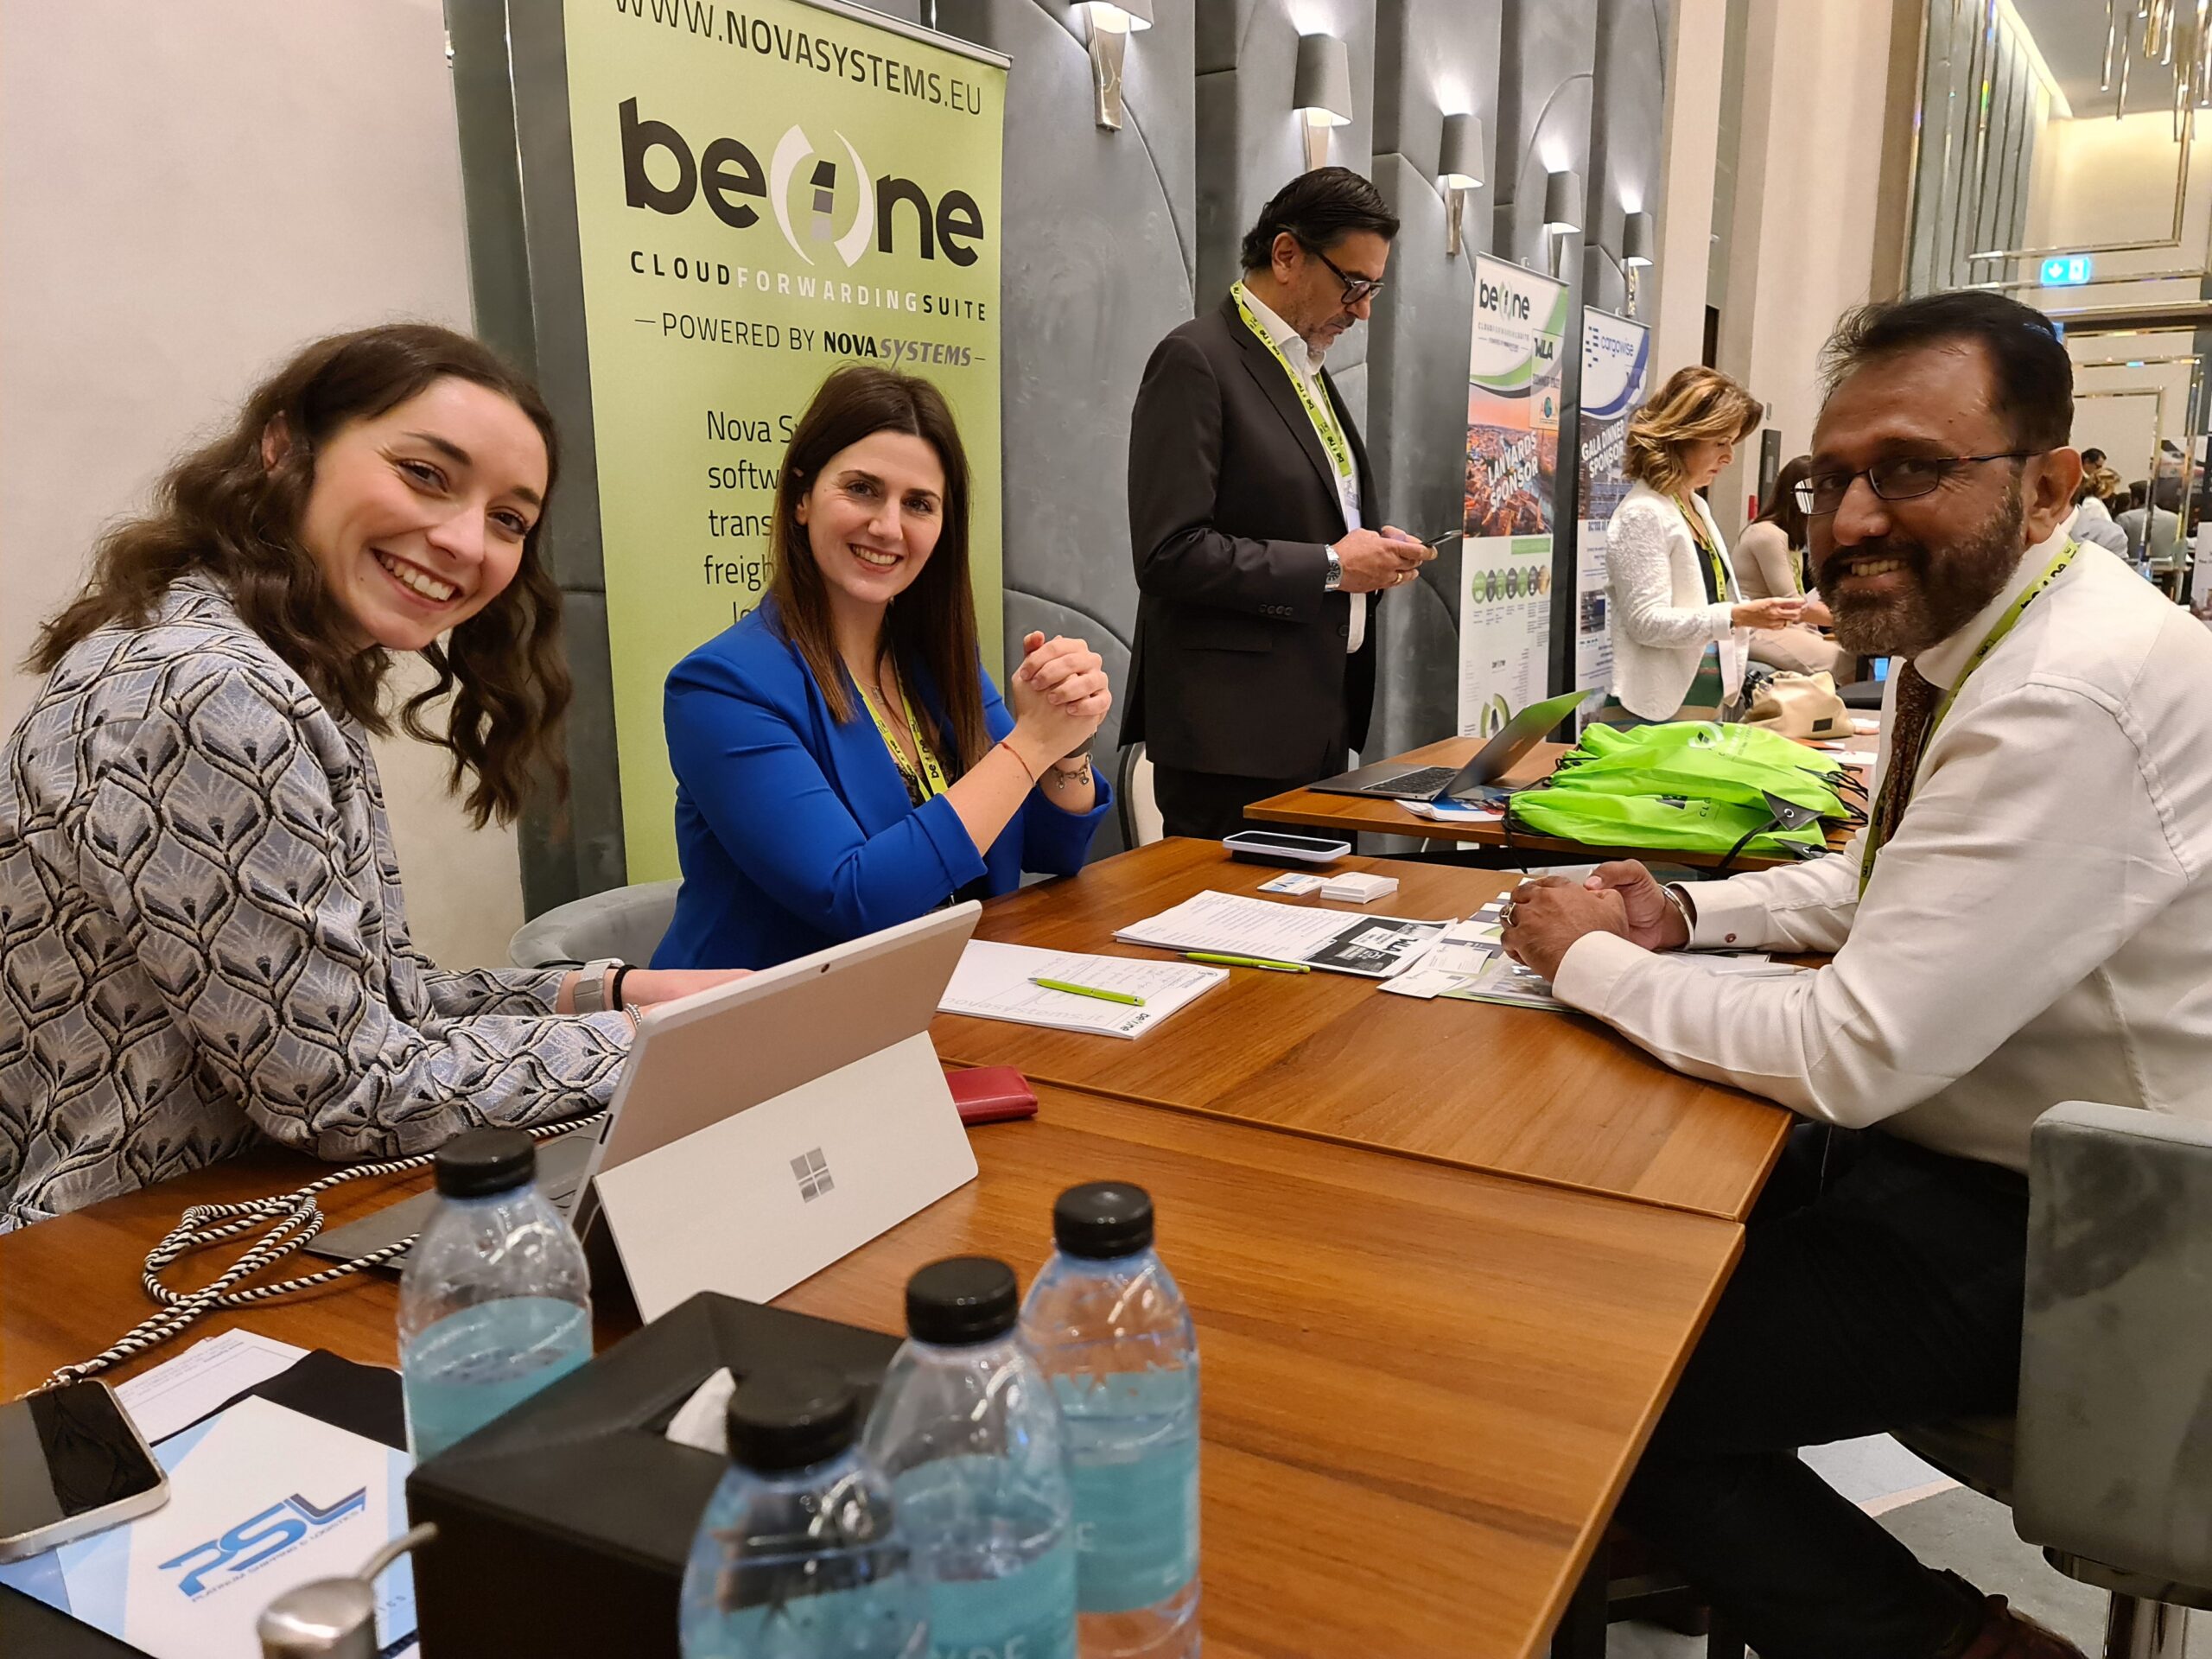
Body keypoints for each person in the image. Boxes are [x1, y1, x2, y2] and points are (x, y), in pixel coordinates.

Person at [1498, 290, 2212, 1658]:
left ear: (2049, 486)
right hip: (2003, 1157)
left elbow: (1853, 1052)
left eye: (1913, 470)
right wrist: (1684, 917)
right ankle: (1672, 1538)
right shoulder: (1992, 636)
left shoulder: (2065, 687)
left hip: (2100, 1236)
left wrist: (1586, 956)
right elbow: (1895, 880)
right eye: (1834, 479)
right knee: (1615, 1248)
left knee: (1618, 1382)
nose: (1852, 519)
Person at [0, 325, 740, 1229]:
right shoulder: (213, 689)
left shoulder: (261, 666)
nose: (466, 541)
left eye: (509, 520)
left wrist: (610, 993)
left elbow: (371, 1005)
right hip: (117, 1246)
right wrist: (649, 1039)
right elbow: (341, 1091)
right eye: (425, 474)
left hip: (214, 1211)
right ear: (284, 448)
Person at [654, 366, 1113, 971]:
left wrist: (1067, 743)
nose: (888, 527)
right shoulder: (721, 689)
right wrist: (1031, 745)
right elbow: (857, 901)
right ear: (801, 498)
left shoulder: (936, 663)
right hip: (774, 1019)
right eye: (863, 489)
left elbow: (1053, 847)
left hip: (950, 994)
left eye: (918, 504)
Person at [1125, 167, 1433, 838]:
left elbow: (1302, 520)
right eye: (1354, 285)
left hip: (1315, 723)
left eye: (1373, 289)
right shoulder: (1195, 359)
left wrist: (1370, 553)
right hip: (1230, 744)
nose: (1363, 310)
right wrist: (1333, 566)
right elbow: (1169, 553)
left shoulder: (1304, 369)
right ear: (1287, 255)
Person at [1602, 367, 1802, 723]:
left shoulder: (1694, 504)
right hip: (1657, 710)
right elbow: (1646, 623)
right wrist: (1738, 615)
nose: (1729, 457)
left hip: (1704, 697)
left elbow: (1708, 599)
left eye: (1732, 443)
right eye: (1720, 442)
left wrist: (1750, 614)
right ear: (1682, 437)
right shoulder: (1643, 513)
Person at [1734, 454, 1853, 679]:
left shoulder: (1789, 538)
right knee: (1844, 662)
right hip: (1755, 630)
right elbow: (1793, 605)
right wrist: (1851, 621)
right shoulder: (1767, 535)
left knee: (1851, 656)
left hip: (1781, 627)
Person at [2117, 474, 2183, 573]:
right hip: (2165, 573)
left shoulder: (2125, 518)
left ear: (2135, 500)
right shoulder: (2175, 519)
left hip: (2132, 572)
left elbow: (2116, 548)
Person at [2064, 474, 2128, 558]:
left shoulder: (2097, 502)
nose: (2113, 491)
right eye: (2112, 488)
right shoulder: (2092, 503)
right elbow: (2087, 528)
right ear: (2105, 487)